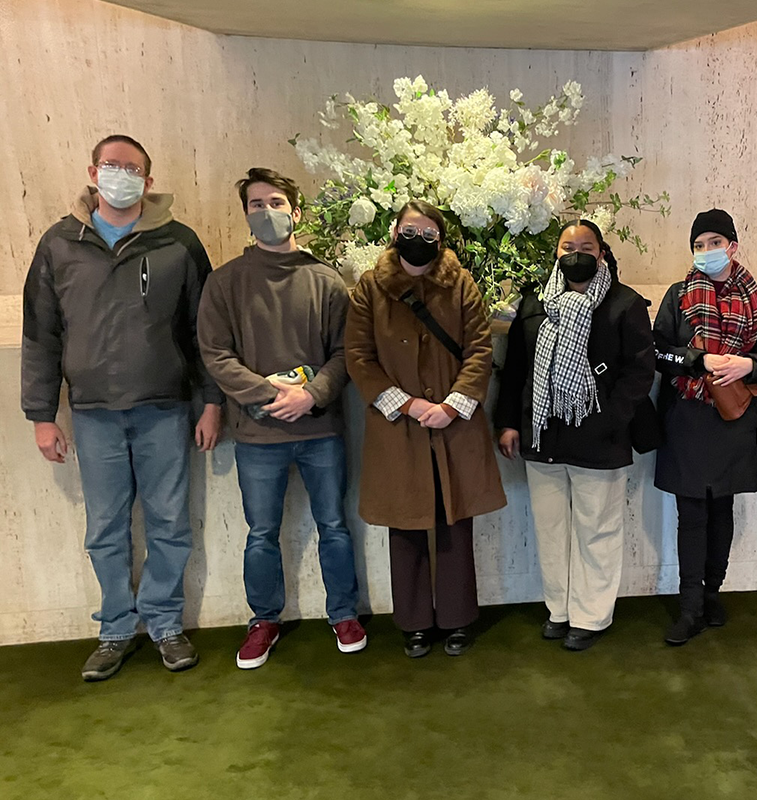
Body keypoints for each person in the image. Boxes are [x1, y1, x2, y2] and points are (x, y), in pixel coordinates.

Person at [21, 135, 222, 681]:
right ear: (92, 171)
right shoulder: (60, 243)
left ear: (148, 182)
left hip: (165, 407)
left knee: (169, 523)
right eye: (111, 165)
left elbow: (204, 331)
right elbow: (41, 333)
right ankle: (114, 628)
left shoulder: (178, 242)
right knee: (105, 527)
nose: (121, 174)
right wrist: (42, 415)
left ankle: (163, 624)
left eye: (132, 168)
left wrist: (211, 403)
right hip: (92, 413)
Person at [198, 168, 364, 669]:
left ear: (296, 211)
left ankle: (344, 613)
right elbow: (215, 352)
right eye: (255, 204)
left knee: (334, 525)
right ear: (246, 214)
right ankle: (263, 620)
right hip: (257, 433)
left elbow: (346, 353)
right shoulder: (225, 283)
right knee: (261, 533)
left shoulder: (327, 281)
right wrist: (269, 393)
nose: (265, 212)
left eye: (275, 202)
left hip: (320, 431)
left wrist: (311, 395)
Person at [345, 199, 506, 658]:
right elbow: (359, 356)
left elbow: (479, 348)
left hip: (454, 424)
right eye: (409, 231)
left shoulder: (461, 285)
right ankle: (414, 622)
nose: (418, 241)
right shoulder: (369, 289)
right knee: (406, 523)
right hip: (398, 425)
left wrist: (453, 405)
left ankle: (457, 619)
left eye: (428, 234)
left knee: (456, 521)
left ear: (441, 239)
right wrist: (409, 404)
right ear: (394, 232)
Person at [496, 220, 655, 651]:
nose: (576, 253)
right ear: (556, 253)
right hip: (544, 434)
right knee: (551, 528)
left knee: (597, 529)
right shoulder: (534, 304)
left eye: (586, 246)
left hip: (600, 435)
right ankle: (559, 610)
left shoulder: (624, 304)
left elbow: (640, 372)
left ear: (602, 252)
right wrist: (509, 422)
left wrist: (610, 419)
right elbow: (515, 370)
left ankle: (591, 616)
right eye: (568, 246)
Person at [653, 209, 757, 646]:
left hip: (734, 416)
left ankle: (712, 594)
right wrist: (698, 360)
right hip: (686, 416)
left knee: (721, 509)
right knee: (691, 512)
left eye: (714, 242)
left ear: (733, 245)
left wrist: (748, 364)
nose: (706, 251)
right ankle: (689, 608)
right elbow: (658, 352)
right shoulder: (678, 295)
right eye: (699, 244)